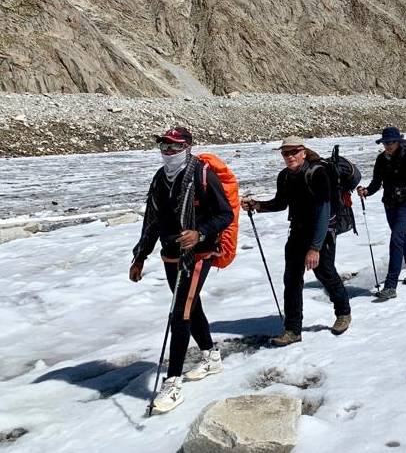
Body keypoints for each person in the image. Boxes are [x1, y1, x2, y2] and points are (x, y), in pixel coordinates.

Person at [129, 127, 234, 415]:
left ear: (187, 147)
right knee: (191, 304)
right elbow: (151, 219)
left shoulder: (202, 174)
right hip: (171, 256)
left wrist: (199, 233)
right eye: (163, 145)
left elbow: (225, 214)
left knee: (180, 312)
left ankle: (172, 382)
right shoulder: (160, 179)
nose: (167, 151)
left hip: (198, 255)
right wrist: (140, 256)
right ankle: (211, 356)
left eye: (174, 146)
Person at [241, 137, 352, 347]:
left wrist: (315, 248)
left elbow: (323, 212)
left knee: (325, 273)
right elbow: (281, 203)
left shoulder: (318, 173)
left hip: (321, 233)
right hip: (298, 232)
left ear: (303, 152)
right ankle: (292, 329)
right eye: (285, 153)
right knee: (291, 280)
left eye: (294, 152)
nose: (289, 156)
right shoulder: (284, 176)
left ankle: (344, 313)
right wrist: (258, 205)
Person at [357, 127, 406, 302]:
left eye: (391, 142)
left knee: (396, 238)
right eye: (385, 142)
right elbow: (376, 182)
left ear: (398, 142)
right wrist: (367, 191)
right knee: (400, 237)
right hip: (389, 203)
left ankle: (390, 286)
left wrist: (402, 191)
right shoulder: (381, 159)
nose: (388, 145)